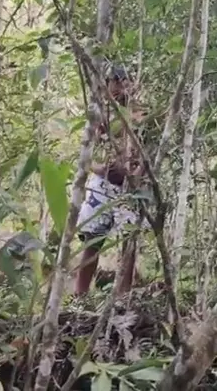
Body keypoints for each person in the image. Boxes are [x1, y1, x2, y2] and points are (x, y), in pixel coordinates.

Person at [73, 65, 146, 296]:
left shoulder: (140, 114)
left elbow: (149, 152)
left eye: (124, 81)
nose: (120, 86)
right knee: (93, 239)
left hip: (130, 185)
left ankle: (124, 296)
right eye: (114, 81)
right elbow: (86, 154)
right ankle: (80, 294)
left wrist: (137, 174)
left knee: (129, 242)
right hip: (103, 183)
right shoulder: (100, 115)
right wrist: (101, 169)